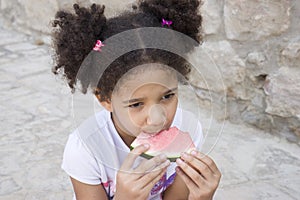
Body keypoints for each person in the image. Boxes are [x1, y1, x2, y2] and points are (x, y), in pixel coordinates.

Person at [51, 1, 221, 199]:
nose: (157, 119)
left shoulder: (189, 131)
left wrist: (201, 197)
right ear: (104, 99)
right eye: (137, 104)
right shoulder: (85, 149)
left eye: (167, 96)